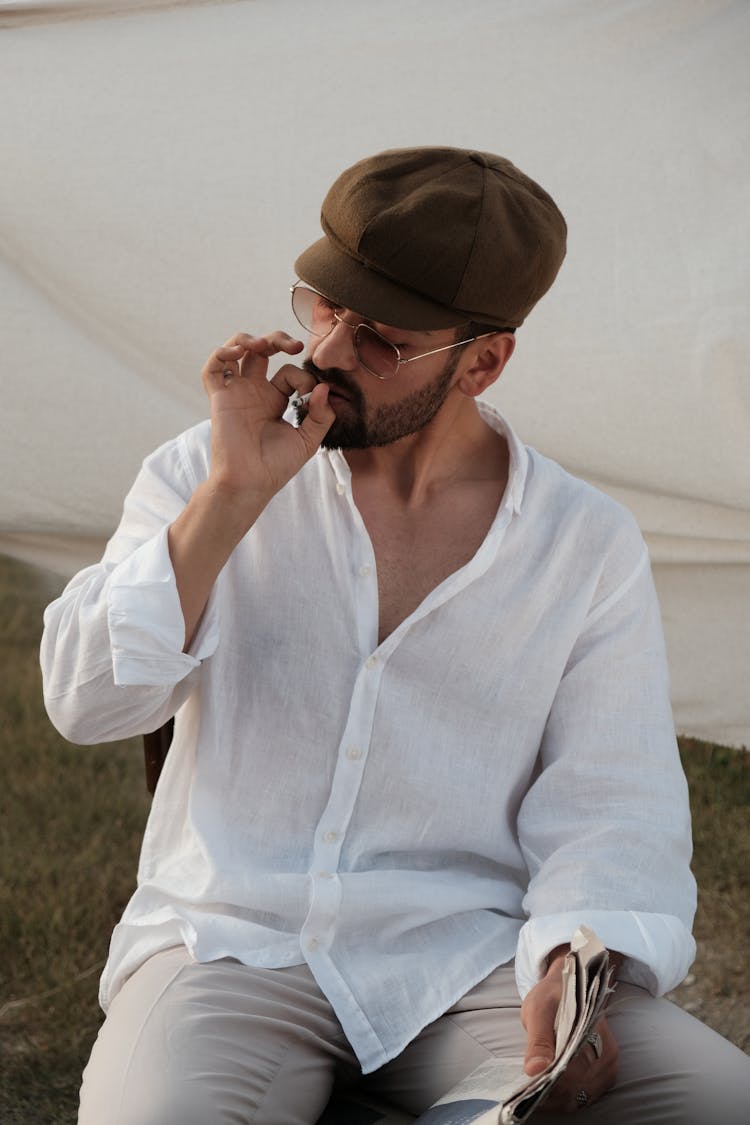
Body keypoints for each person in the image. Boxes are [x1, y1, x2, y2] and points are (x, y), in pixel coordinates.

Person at [41, 147, 749, 1124]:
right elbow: (87, 703)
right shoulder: (201, 471)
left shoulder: (581, 543)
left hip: (466, 961)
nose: (328, 351)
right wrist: (232, 497)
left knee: (717, 1100)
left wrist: (569, 957)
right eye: (322, 307)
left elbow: (612, 795)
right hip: (226, 946)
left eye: (379, 340)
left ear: (484, 360)